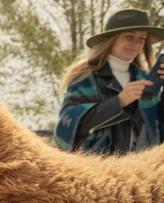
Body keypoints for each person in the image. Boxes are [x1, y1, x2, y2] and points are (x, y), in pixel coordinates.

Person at [56, 9, 164, 153]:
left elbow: (159, 125)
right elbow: (68, 126)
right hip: (99, 169)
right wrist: (118, 102)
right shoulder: (84, 79)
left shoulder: (147, 80)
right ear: (111, 40)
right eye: (129, 37)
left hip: (143, 170)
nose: (136, 44)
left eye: (141, 38)